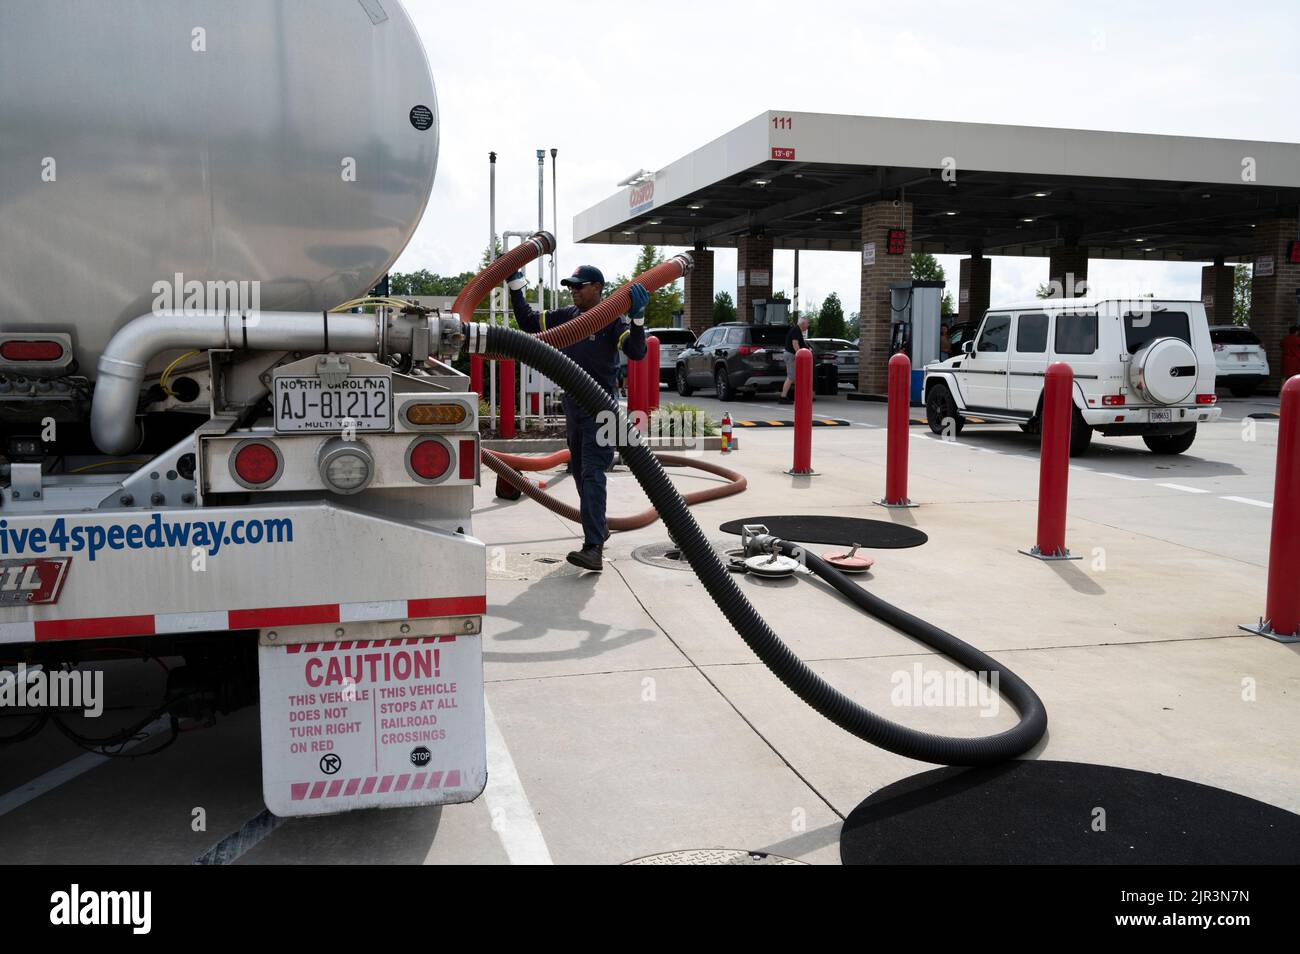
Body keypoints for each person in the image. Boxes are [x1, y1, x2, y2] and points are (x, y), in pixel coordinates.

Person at [508, 265, 648, 572]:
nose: (573, 290)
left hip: (602, 409)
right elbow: (529, 323)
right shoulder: (567, 317)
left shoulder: (612, 320)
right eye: (571, 286)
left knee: (592, 473)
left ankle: (593, 548)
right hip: (573, 405)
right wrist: (517, 288)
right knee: (581, 472)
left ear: (597, 287)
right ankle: (597, 528)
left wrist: (638, 320)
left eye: (579, 286)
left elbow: (637, 353)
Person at [779, 313, 811, 404]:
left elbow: (800, 343)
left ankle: (799, 395)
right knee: (791, 377)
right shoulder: (796, 330)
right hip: (791, 356)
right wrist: (800, 356)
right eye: (807, 323)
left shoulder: (797, 330)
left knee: (796, 377)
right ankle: (783, 397)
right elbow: (795, 344)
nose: (808, 326)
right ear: (803, 324)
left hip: (791, 355)